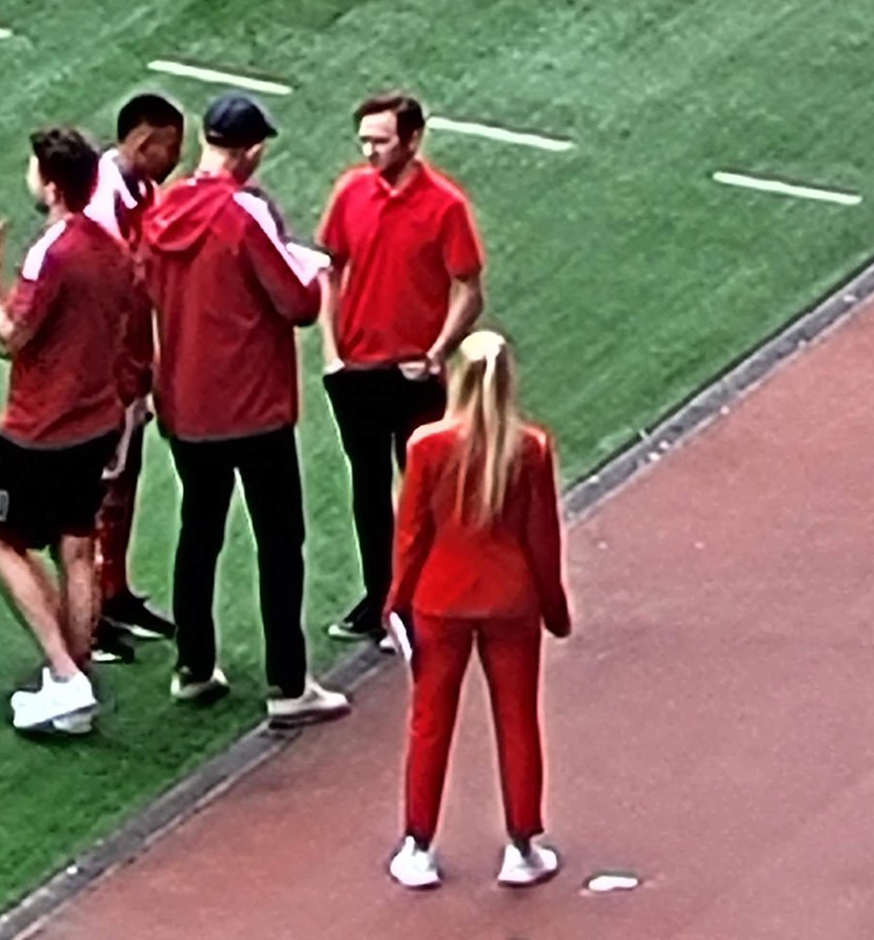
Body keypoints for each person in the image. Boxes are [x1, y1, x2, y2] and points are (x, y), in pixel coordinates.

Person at [144, 92, 348, 729]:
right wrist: (311, 271)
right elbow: (297, 303)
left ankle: (194, 665)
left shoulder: (164, 209)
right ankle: (290, 681)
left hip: (185, 398)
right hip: (253, 404)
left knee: (198, 530)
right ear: (252, 148)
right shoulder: (245, 214)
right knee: (279, 541)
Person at [385, 331, 570, 892]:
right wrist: (554, 607)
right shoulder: (530, 447)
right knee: (517, 720)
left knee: (430, 721)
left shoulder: (426, 447)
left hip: (440, 600)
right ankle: (522, 845)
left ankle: (418, 844)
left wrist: (396, 603)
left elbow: (412, 535)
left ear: (453, 380)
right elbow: (543, 538)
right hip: (511, 600)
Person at [0, 127, 136, 737]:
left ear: (49, 182)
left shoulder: (53, 252)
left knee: (0, 538)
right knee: (77, 547)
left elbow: (12, 336)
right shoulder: (113, 249)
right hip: (96, 419)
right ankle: (76, 677)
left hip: (38, 429)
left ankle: (67, 675)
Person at [318, 93, 484, 644]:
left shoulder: (445, 205)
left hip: (415, 372)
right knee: (367, 488)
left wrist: (437, 352)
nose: (369, 150)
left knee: (422, 491)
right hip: (357, 370)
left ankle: (427, 594)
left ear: (412, 140)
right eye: (364, 139)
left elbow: (468, 288)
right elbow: (331, 269)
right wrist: (331, 352)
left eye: (381, 140)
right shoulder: (350, 194)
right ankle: (381, 598)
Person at [86, 91, 185, 662]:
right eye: (171, 146)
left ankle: (114, 590)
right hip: (106, 370)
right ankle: (90, 612)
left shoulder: (141, 191)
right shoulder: (102, 203)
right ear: (145, 140)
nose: (174, 159)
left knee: (123, 480)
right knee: (98, 487)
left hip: (132, 363)